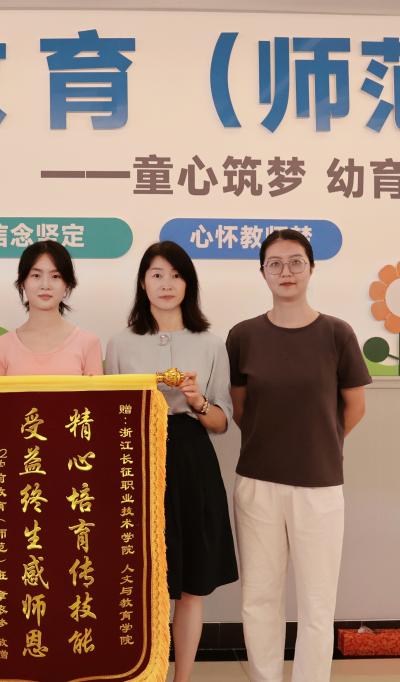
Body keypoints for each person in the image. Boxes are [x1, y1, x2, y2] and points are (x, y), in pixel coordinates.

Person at [226, 229, 370, 682]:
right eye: (275, 263)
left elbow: (355, 407)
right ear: (262, 272)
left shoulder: (337, 333)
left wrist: (318, 444)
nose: (285, 272)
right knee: (259, 598)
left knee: (317, 603)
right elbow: (241, 410)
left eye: (295, 262)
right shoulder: (243, 335)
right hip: (257, 484)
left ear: (311, 268)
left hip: (320, 487)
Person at [104, 241, 238, 682]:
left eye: (176, 275)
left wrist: (197, 402)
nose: (166, 284)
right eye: (157, 275)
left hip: (191, 458)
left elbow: (221, 422)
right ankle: (147, 673)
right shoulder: (120, 343)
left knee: (191, 584)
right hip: (136, 460)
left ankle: (182, 677)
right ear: (142, 283)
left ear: (189, 284)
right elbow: (107, 415)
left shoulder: (211, 343)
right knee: (144, 581)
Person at [0, 240, 102, 376]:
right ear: (22, 283)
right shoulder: (0, 346)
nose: (45, 285)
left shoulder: (88, 344)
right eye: (36, 275)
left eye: (55, 276)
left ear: (67, 285)